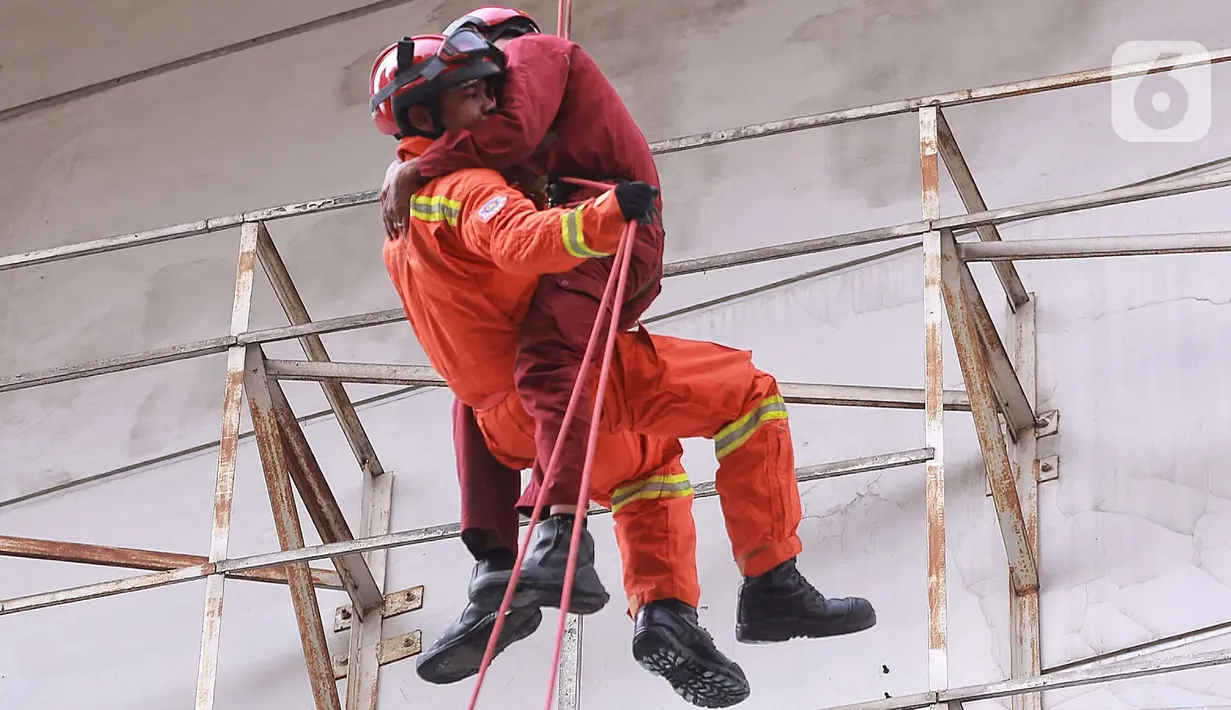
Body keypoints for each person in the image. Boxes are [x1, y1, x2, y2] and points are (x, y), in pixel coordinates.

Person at [369, 31, 877, 707]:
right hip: (567, 392)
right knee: (748, 394)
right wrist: (607, 213)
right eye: (474, 92)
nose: (495, 99)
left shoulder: (400, 226)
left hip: (506, 429)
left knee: (646, 466)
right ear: (425, 115)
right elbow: (525, 242)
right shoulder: (465, 185)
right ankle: (770, 580)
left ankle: (654, 608)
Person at [379, 4, 667, 641]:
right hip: (593, 224)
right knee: (479, 395)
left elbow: (507, 143)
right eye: (470, 88)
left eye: (485, 80)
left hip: (615, 225)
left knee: (546, 358)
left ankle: (561, 537)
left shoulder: (535, 55)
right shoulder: (460, 172)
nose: (488, 92)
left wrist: (418, 167)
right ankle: (495, 566)